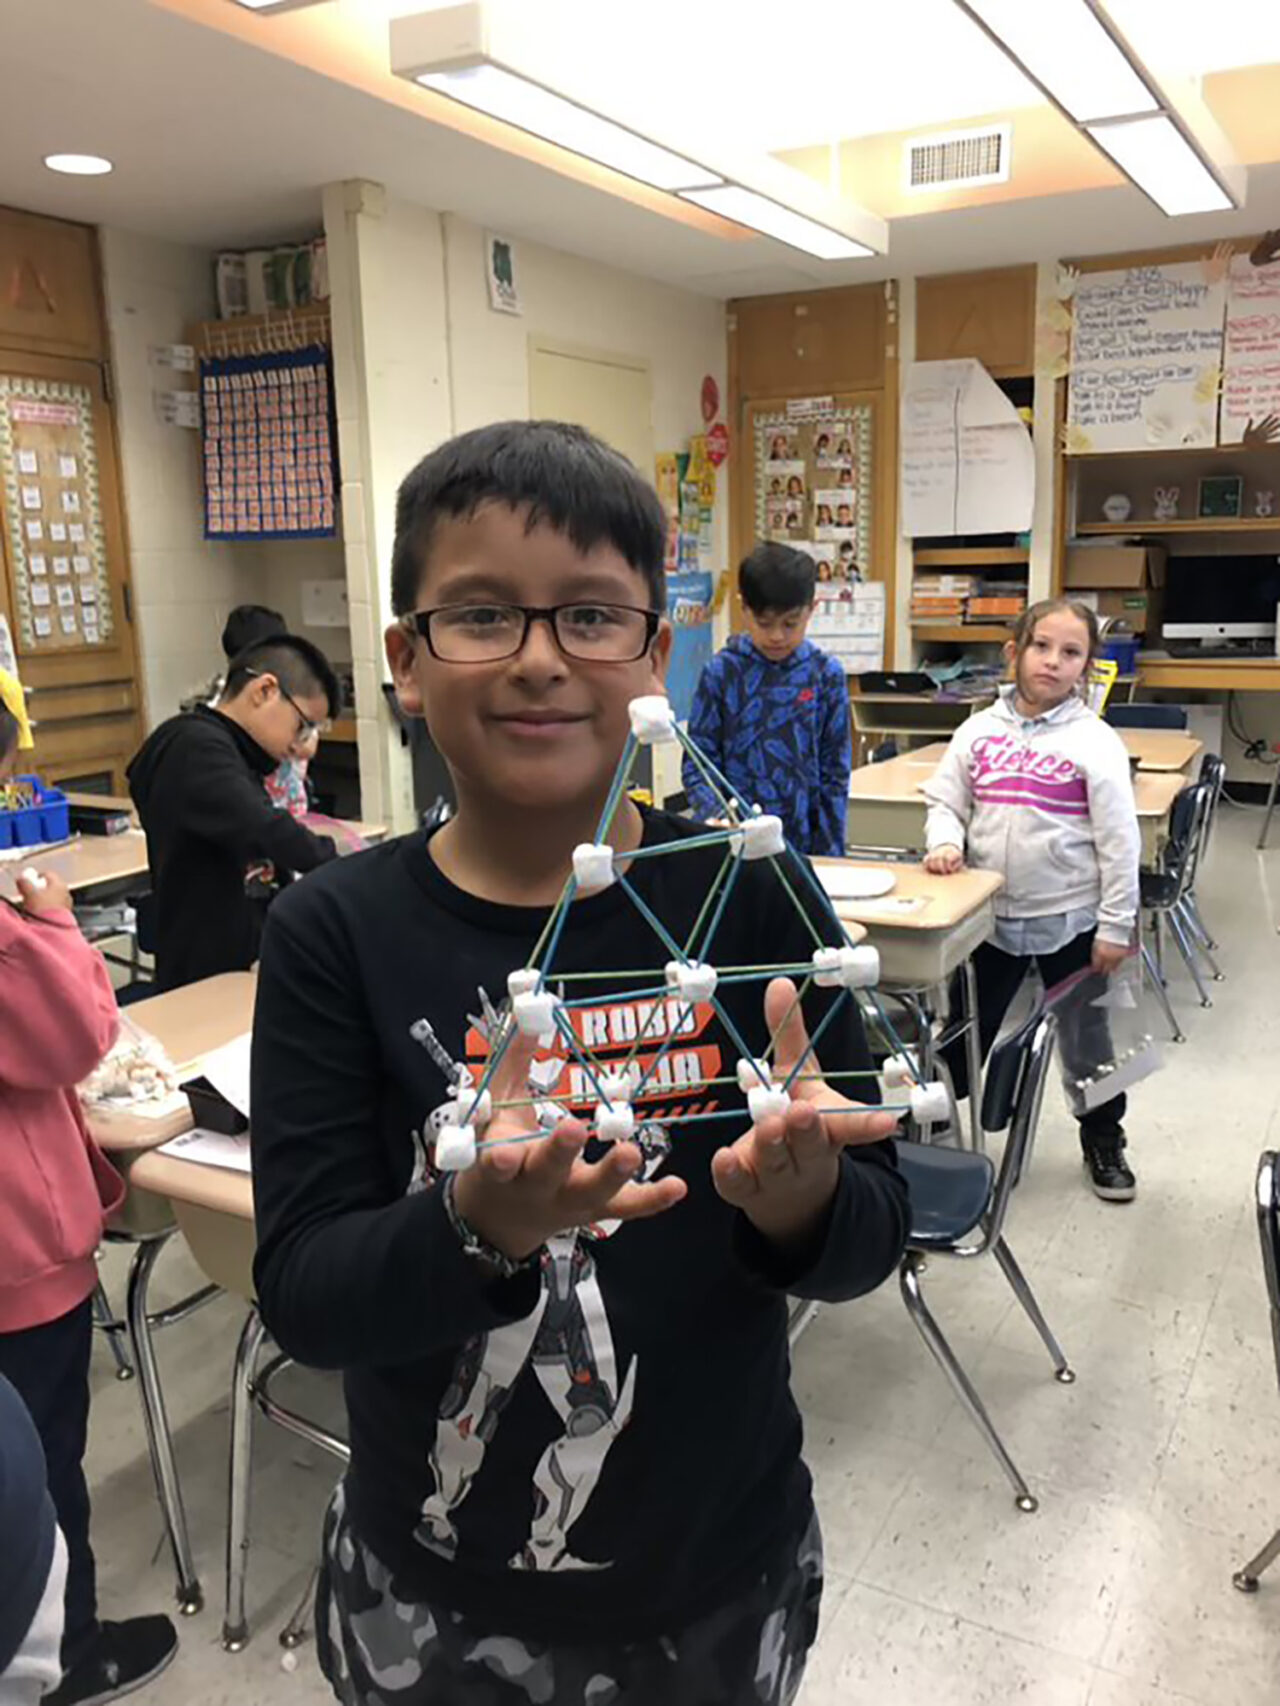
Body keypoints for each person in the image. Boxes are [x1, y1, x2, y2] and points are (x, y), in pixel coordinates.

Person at [249, 420, 909, 1706]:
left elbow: (874, 1233)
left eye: (592, 616)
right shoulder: (332, 930)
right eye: (480, 614)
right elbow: (306, 1296)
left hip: (714, 1574)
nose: (541, 657)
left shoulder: (750, 893)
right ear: (404, 660)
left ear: (656, 657)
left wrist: (809, 1202)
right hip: (429, 1599)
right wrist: (476, 1223)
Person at [0, 706, 178, 1706]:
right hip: (17, 1260)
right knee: (37, 1463)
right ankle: (66, 1656)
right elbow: (77, 1033)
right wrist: (55, 923)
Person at [923, 598, 1141, 1201]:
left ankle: (1104, 1137)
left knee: (1090, 1041)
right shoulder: (977, 731)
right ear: (1014, 652)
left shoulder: (1095, 741)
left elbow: (1120, 841)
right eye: (1041, 646)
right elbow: (945, 801)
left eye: (1071, 653)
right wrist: (945, 841)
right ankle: (931, 1118)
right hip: (989, 921)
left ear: (1086, 667)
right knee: (965, 1030)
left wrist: (1115, 925)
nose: (1052, 661)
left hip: (1072, 920)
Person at [128, 634, 340, 990]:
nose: (301, 743)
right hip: (205, 980)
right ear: (264, 691)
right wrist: (339, 864)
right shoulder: (192, 746)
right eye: (302, 725)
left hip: (244, 968)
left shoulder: (235, 752)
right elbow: (263, 827)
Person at [685, 542, 852, 860]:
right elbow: (698, 765)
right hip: (733, 846)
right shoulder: (721, 673)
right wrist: (719, 817)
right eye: (764, 622)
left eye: (790, 623)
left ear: (812, 609)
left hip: (805, 847)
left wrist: (831, 854)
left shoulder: (825, 675)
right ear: (744, 608)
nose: (777, 636)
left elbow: (836, 774)